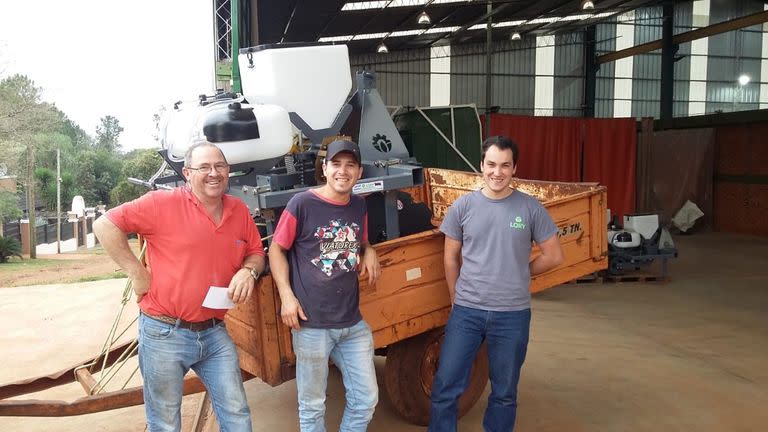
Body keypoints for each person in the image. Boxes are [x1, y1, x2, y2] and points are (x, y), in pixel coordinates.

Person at [93, 142, 265, 432]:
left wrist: (248, 271)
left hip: (213, 332)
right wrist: (136, 271)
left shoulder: (238, 210)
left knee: (237, 415)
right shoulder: (162, 204)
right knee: (165, 423)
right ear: (187, 173)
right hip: (164, 333)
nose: (214, 173)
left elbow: (257, 253)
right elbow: (104, 225)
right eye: (204, 167)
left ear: (228, 171)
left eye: (219, 166)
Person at [428, 135, 564, 432]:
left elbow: (554, 256)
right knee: (446, 385)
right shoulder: (462, 207)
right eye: (491, 164)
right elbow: (450, 257)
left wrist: (522, 271)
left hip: (512, 315)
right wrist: (455, 297)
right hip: (467, 312)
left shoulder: (530, 209)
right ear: (481, 165)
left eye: (505, 165)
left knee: (504, 392)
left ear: (515, 168)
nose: (497, 172)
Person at [269, 139, 382, 432]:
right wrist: (286, 296)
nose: (343, 171)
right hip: (311, 325)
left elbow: (363, 240)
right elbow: (276, 250)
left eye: (350, 165)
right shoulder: (302, 204)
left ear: (359, 172)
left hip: (352, 324)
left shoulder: (359, 205)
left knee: (366, 399)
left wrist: (369, 251)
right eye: (336, 164)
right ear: (325, 168)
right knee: (312, 406)